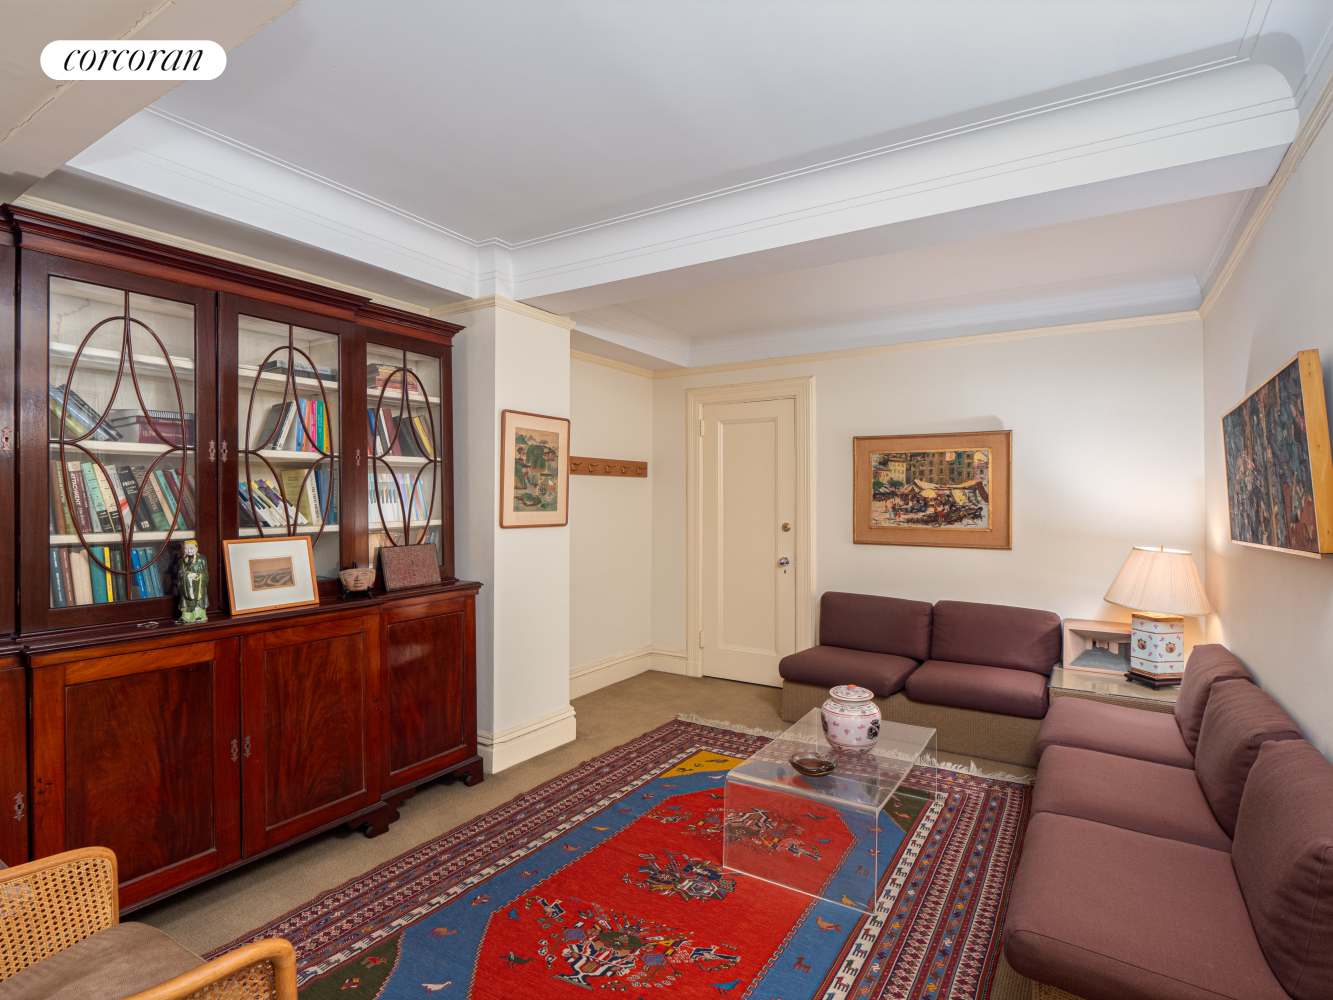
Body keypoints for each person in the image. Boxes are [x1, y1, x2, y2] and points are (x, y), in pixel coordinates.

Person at [178, 539, 208, 622]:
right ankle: (186, 615)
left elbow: (205, 573)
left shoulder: (202, 559)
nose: (189, 551)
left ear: (197, 548)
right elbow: (180, 573)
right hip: (187, 585)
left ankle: (198, 615)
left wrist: (198, 577)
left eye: (191, 548)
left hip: (198, 584)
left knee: (198, 600)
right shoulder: (183, 561)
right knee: (186, 600)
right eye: (186, 548)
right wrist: (187, 575)